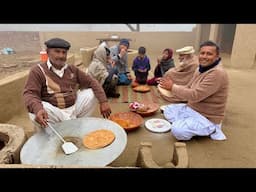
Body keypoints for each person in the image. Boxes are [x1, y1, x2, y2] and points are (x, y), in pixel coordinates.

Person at [23, 38, 112, 132]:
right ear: (48, 52)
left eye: (64, 52)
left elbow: (92, 81)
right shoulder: (38, 71)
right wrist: (38, 109)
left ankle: (78, 124)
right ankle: (53, 132)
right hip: (55, 112)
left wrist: (103, 101)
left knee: (91, 93)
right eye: (57, 51)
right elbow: (30, 93)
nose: (61, 56)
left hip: (73, 108)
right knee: (38, 109)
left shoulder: (72, 69)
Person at [159, 40, 229, 141]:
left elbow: (195, 95)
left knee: (177, 131)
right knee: (167, 110)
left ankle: (212, 129)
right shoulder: (200, 68)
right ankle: (187, 122)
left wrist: (173, 87)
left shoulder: (217, 73)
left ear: (217, 57)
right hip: (192, 108)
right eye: (202, 53)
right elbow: (188, 86)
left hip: (207, 117)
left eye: (209, 54)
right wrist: (171, 87)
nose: (204, 56)